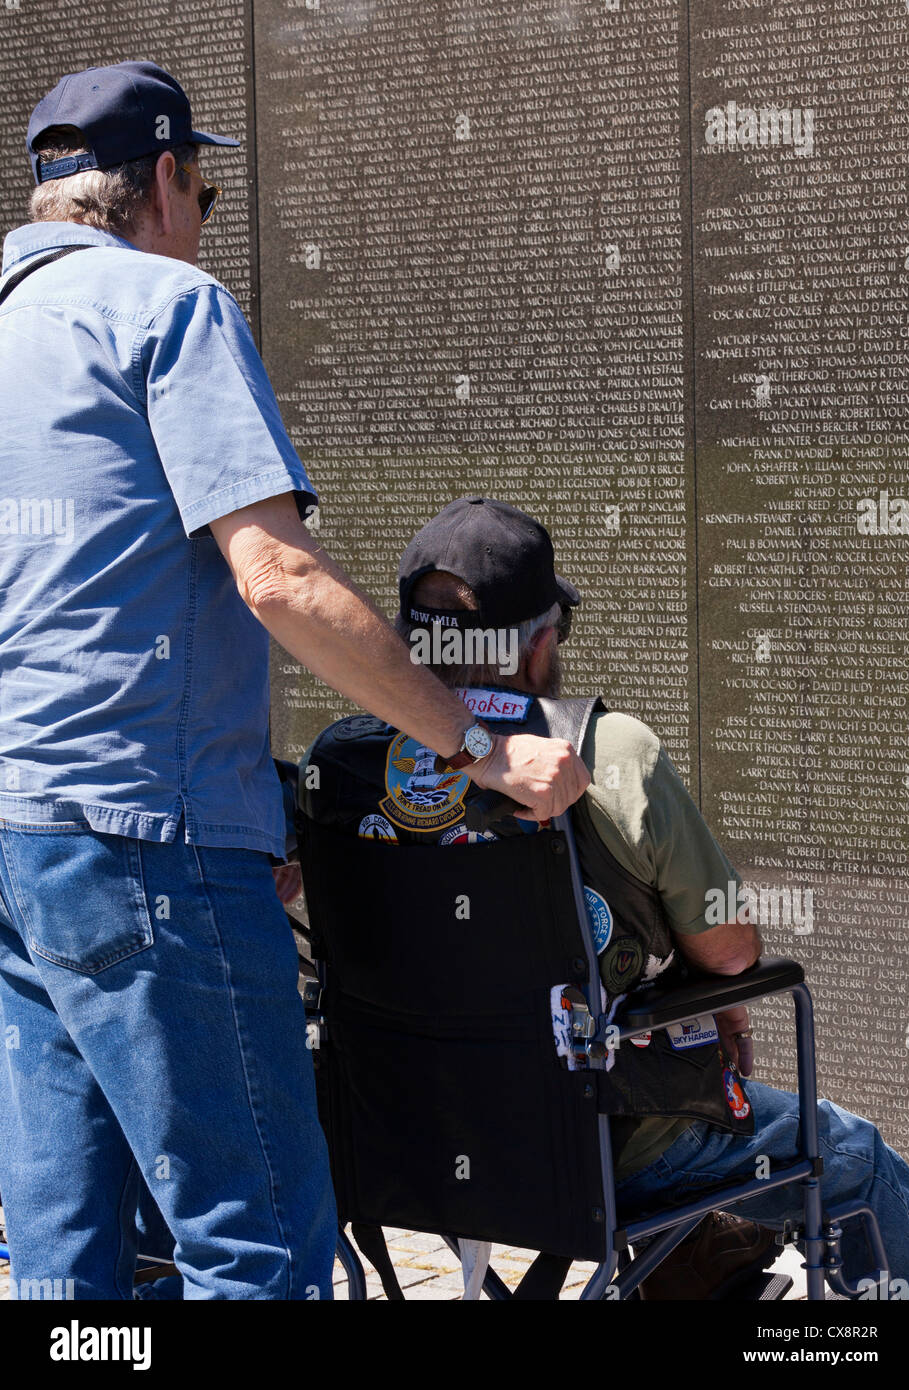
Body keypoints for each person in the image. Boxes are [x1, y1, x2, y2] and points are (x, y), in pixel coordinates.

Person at [0, 64, 589, 1301]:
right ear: (164, 180)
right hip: (149, 836)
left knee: (68, 1253)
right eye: (204, 191)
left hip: (17, 837)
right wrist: (480, 749)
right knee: (255, 1238)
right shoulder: (169, 303)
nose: (201, 214)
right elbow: (274, 577)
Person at [299, 495, 909, 1295]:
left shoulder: (342, 760)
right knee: (856, 1156)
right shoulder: (606, 751)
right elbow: (732, 953)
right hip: (600, 1149)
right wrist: (719, 1002)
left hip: (401, 1144)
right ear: (539, 644)